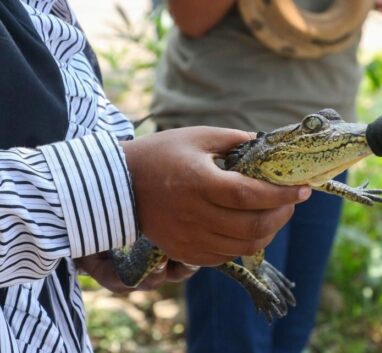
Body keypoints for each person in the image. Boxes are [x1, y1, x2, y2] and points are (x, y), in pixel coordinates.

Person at [0, 0, 311, 352]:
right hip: (220, 123)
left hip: (54, 319)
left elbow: (62, 93)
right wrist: (120, 186)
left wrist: (98, 219)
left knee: (292, 327)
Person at [151, 1, 382, 352]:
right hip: (226, 137)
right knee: (233, 338)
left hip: (329, 135)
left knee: (293, 329)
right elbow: (191, 17)